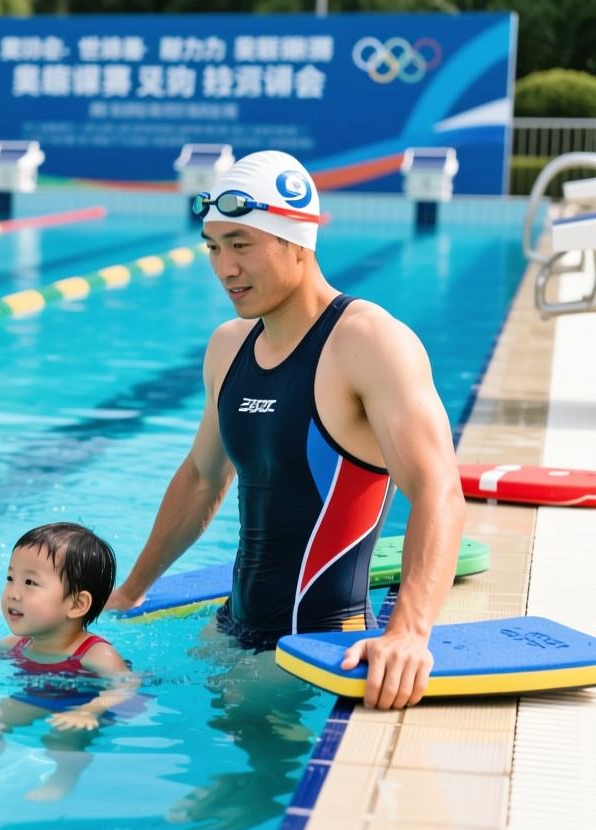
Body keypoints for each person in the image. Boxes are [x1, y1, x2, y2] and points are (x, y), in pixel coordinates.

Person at [106, 150, 466, 711]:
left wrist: (410, 633)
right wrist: (130, 591)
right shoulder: (229, 346)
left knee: (226, 783)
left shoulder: (368, 342)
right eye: (213, 247)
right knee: (82, 693)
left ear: (297, 240)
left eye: (241, 245)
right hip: (232, 627)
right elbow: (202, 479)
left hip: (319, 644)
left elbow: (439, 490)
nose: (224, 267)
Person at [0, 522, 138, 800]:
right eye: (10, 578)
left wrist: (91, 710)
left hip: (82, 705)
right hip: (35, 697)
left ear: (76, 604)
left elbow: (126, 686)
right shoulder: (18, 642)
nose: (13, 592)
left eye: (30, 582)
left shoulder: (95, 653)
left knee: (62, 742)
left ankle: (63, 778)